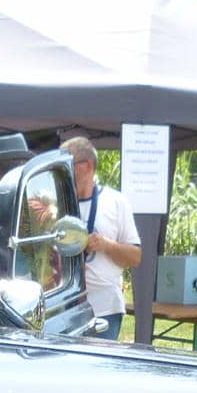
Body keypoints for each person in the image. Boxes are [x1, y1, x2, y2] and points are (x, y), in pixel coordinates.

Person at [61, 136, 141, 340]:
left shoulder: (116, 202)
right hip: (63, 307)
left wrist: (106, 245)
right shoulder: (59, 204)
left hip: (105, 308)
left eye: (68, 164)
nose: (63, 171)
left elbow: (135, 257)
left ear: (88, 165)